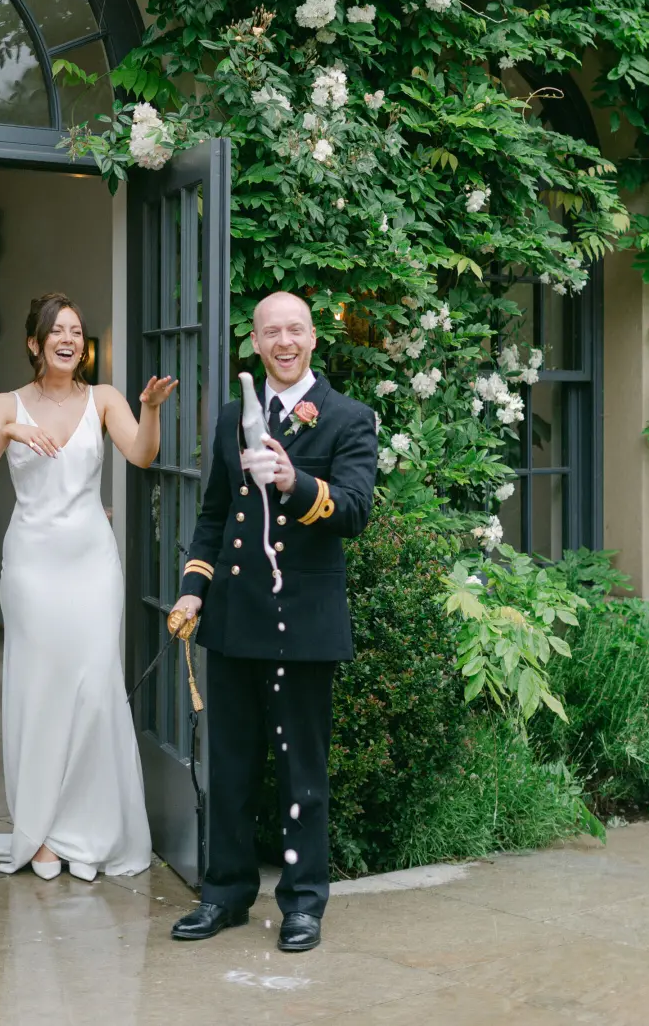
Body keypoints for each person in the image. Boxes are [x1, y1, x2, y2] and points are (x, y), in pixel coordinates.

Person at [0, 292, 177, 882]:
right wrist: (8, 431)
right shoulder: (4, 405)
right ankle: (39, 834)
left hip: (92, 564)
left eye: (76, 330)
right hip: (33, 565)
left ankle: (86, 829)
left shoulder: (104, 398)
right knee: (40, 693)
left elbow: (140, 454)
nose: (68, 338)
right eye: (56, 330)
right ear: (35, 343)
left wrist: (151, 409)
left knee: (92, 692)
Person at [169, 291, 377, 951]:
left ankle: (302, 905)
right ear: (254, 344)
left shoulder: (347, 417)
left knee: (300, 774)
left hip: (301, 625)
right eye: (270, 333)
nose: (283, 342)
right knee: (228, 770)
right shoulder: (235, 415)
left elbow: (354, 510)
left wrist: (294, 482)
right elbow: (214, 515)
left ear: (314, 338)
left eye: (295, 330)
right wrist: (192, 590)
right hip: (232, 621)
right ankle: (225, 895)